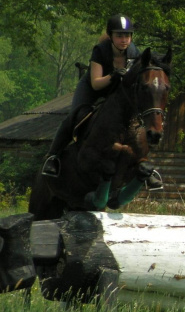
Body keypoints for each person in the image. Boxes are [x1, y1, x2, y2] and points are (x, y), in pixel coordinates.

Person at [42, 14, 162, 189]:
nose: (124, 40)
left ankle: (145, 165)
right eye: (119, 35)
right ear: (111, 36)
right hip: (93, 88)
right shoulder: (100, 50)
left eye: (127, 35)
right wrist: (113, 76)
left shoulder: (134, 53)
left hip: (115, 92)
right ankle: (53, 157)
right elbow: (96, 84)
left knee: (136, 120)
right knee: (75, 116)